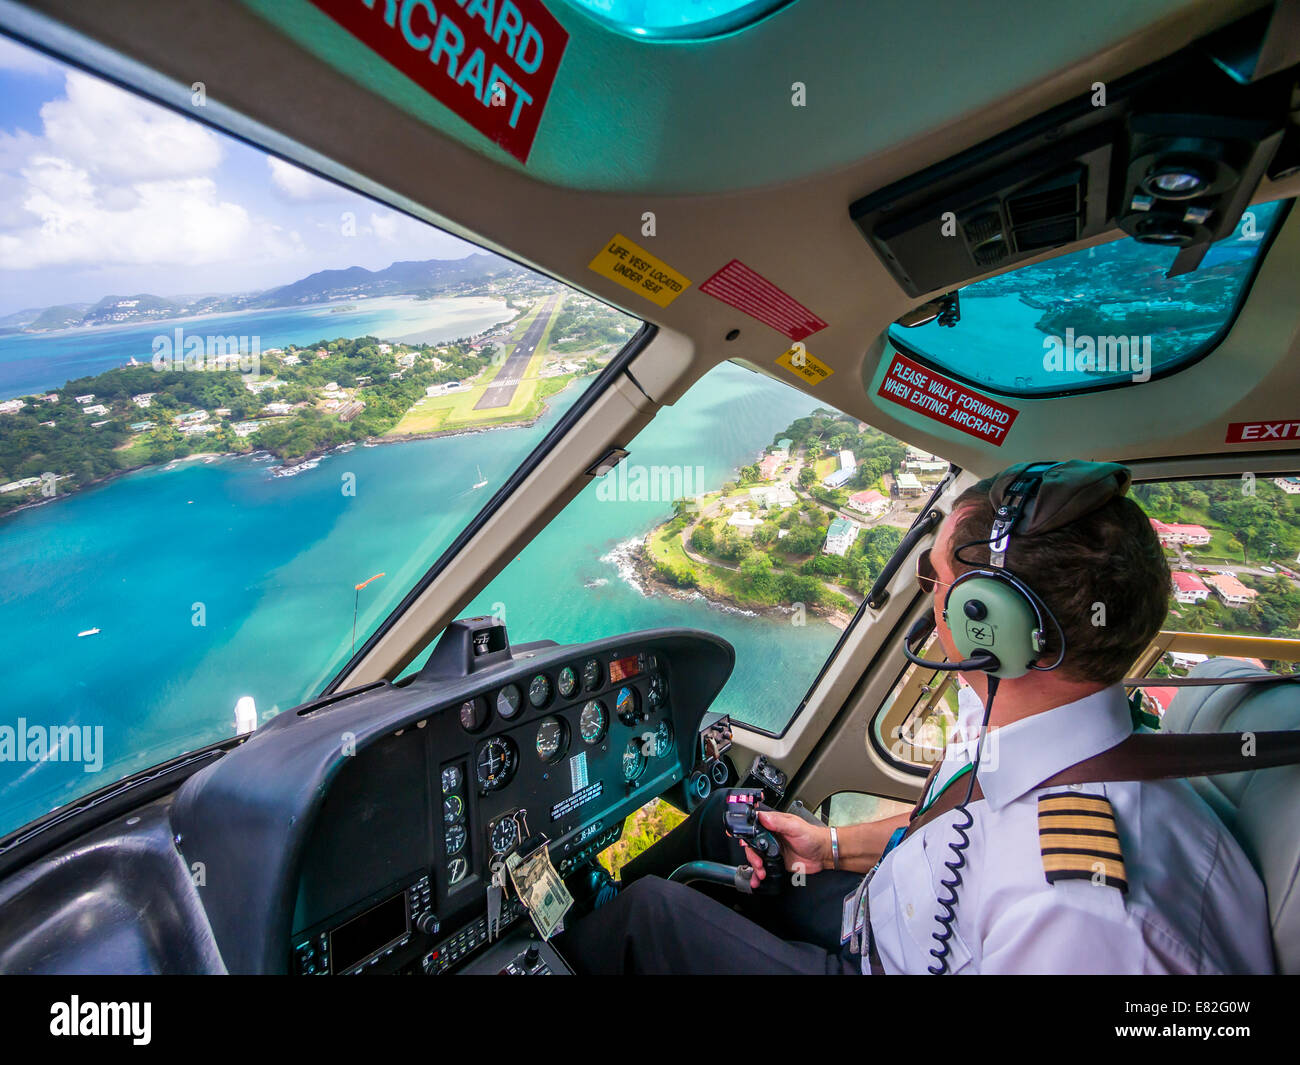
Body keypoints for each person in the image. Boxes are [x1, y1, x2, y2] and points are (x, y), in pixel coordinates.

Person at [556, 465, 1275, 974]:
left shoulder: (1083, 916)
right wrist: (829, 846)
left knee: (650, 918)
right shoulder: (1028, 722)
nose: (930, 604)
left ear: (990, 625)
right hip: (884, 918)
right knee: (725, 817)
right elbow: (961, 828)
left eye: (937, 583)